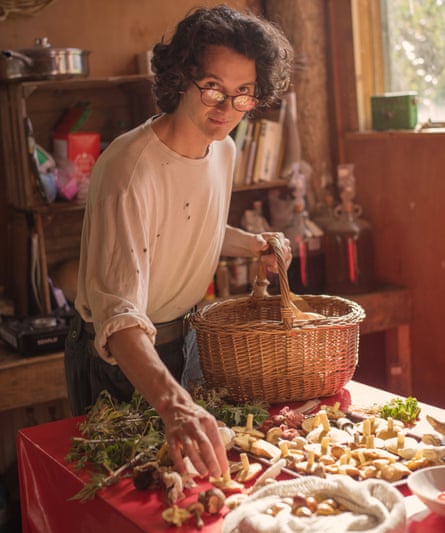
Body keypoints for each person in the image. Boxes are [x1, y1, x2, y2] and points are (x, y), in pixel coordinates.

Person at [64, 5, 294, 480]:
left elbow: (187, 227)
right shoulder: (130, 167)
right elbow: (120, 318)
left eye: (242, 94)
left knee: (193, 488)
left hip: (182, 340)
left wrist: (253, 245)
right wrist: (175, 403)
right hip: (122, 359)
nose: (226, 108)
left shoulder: (223, 149)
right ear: (180, 77)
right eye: (212, 88)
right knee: (128, 494)